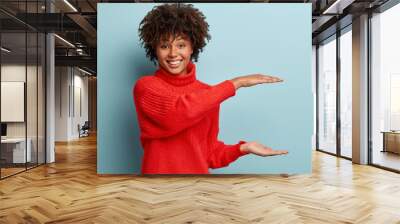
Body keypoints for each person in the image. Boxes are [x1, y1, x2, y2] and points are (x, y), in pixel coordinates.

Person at [134, 3, 288, 174]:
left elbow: (209, 154)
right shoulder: (146, 87)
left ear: (192, 47)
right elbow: (178, 113)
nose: (172, 53)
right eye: (164, 46)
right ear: (154, 50)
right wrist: (236, 83)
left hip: (198, 189)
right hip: (157, 191)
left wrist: (243, 148)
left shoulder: (209, 94)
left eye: (181, 45)